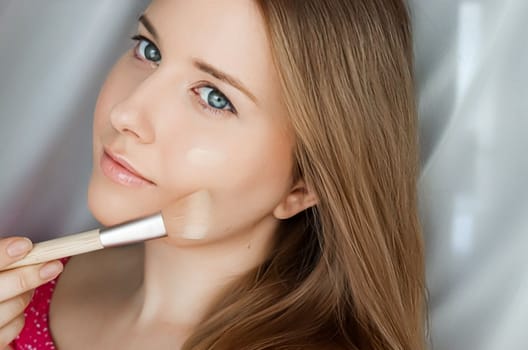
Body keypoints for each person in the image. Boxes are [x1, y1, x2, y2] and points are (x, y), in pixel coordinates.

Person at [0, 0, 427, 349]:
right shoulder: (31, 283)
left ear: (305, 184)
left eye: (214, 97)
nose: (126, 112)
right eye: (149, 50)